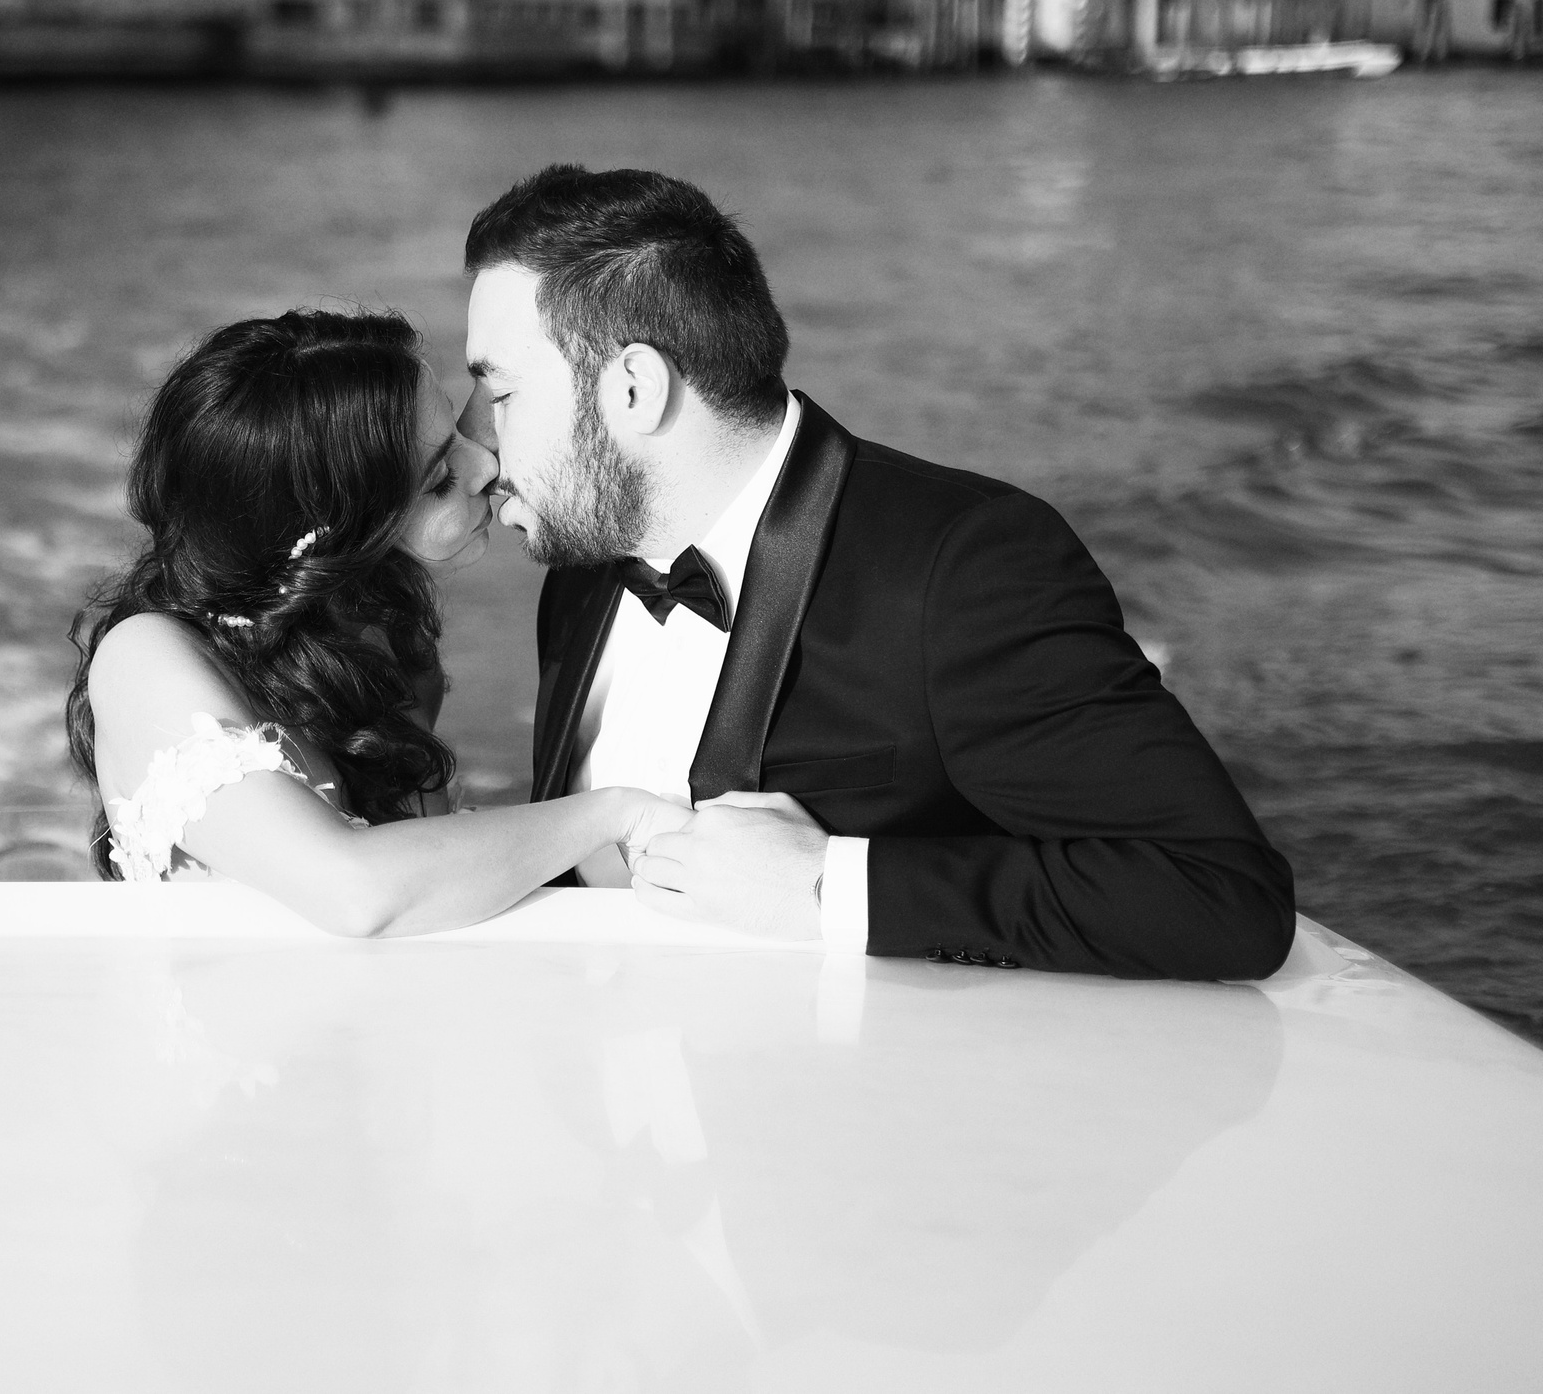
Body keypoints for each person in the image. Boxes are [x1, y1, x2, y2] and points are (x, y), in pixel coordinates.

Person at [459, 164, 1297, 979]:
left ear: (634, 390)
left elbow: (1222, 892)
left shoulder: (962, 568)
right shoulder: (581, 576)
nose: (480, 445)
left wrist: (834, 885)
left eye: (499, 396)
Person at [67, 309, 690, 937]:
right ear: (339, 528)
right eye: (442, 477)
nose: (487, 468)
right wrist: (619, 816)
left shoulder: (381, 631)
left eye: (457, 433)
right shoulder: (143, 658)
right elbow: (355, 892)